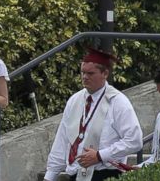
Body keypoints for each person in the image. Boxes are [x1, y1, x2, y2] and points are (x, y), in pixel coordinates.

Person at [44, 48, 143, 181]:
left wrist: (100, 155)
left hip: (104, 174)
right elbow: (63, 139)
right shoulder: (75, 100)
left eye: (90, 73)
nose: (85, 77)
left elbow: (134, 140)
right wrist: (50, 175)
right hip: (76, 174)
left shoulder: (118, 101)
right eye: (83, 72)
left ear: (105, 73)